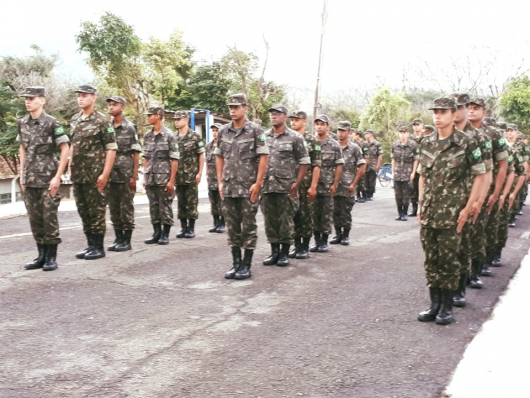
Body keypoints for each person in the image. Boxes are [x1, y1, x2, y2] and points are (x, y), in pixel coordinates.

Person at [417, 97, 485, 325]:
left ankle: (447, 307)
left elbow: (479, 175)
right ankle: (434, 304)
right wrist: (419, 204)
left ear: (453, 114)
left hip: (453, 213)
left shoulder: (466, 142)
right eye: (435, 112)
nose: (437, 116)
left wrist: (469, 207)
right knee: (431, 259)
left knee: (449, 260)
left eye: (443, 112)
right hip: (429, 211)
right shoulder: (426, 142)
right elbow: (423, 176)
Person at [215, 94, 269, 280]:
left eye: (236, 107)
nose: (232, 110)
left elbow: (263, 156)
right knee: (232, 226)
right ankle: (236, 263)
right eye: (230, 107)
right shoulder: (223, 131)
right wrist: (220, 181)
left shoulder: (255, 130)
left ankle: (246, 264)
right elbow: (219, 155)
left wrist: (258, 183)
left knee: (248, 226)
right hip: (229, 186)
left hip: (248, 186)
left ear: (245, 108)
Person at [17, 86, 70, 271]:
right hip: (30, 179)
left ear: (42, 100)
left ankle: (51, 257)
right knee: (35, 218)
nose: (28, 101)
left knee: (49, 218)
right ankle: (41, 255)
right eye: (26, 98)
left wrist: (58, 177)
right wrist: (22, 174)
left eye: (32, 98)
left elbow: (65, 148)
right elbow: (22, 147)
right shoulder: (23, 122)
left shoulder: (52, 123)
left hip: (48, 179)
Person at [451, 94, 492, 303]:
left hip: (469, 198)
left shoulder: (479, 137)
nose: (457, 111)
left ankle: (460, 288)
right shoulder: (443, 137)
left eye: (461, 107)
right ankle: (446, 289)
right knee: (447, 248)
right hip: (446, 203)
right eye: (454, 107)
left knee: (465, 244)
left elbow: (485, 173)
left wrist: (479, 201)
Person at [69, 84, 116, 260]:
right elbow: (73, 145)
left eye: (84, 95)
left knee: (96, 211)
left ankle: (98, 247)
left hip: (95, 174)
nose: (80, 98)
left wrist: (105, 174)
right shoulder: (75, 119)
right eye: (79, 95)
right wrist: (69, 164)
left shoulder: (102, 120)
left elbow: (111, 149)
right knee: (83, 210)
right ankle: (90, 245)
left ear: (93, 98)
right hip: (79, 174)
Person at [261, 105, 309, 267]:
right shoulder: (263, 136)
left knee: (286, 220)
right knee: (270, 220)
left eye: (277, 114)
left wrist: (297, 183)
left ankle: (284, 252)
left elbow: (304, 162)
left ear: (285, 117)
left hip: (286, 185)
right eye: (272, 114)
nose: (273, 117)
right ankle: (274, 251)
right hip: (267, 185)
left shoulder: (295, 137)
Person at [468, 98, 508, 277]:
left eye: (476, 108)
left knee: (480, 229)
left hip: (486, 188)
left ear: (484, 112)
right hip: (461, 189)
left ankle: (477, 269)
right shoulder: (459, 131)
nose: (471, 112)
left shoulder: (493, 134)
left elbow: (502, 166)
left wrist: (496, 193)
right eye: (468, 108)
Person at [106, 96, 141, 252]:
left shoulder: (130, 127)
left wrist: (134, 177)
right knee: (113, 208)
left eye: (115, 105)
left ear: (123, 107)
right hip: (111, 174)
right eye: (110, 105)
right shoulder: (107, 126)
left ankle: (126, 240)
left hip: (125, 174)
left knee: (126, 208)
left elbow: (135, 153)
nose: (111, 107)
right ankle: (118, 238)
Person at [287, 110, 322, 259]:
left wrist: (313, 186)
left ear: (304, 122)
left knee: (306, 216)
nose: (293, 122)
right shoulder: (288, 138)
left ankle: (305, 246)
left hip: (306, 183)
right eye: (292, 119)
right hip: (291, 183)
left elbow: (316, 165)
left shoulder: (312, 141)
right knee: (293, 215)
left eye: (297, 120)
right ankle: (296, 245)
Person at [142, 107, 179, 245]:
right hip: (151, 176)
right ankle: (156, 232)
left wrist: (171, 180)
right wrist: (145, 176)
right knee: (153, 206)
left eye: (150, 115)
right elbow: (145, 157)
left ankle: (165, 233)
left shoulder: (169, 135)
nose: (148, 117)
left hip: (164, 177)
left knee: (165, 205)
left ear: (158, 116)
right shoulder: (147, 136)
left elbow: (174, 159)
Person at [310, 115, 344, 253]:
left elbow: (339, 165)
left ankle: (324, 241)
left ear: (328, 126)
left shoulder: (334, 145)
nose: (319, 126)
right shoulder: (310, 142)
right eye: (317, 124)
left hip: (327, 184)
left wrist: (335, 183)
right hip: (312, 185)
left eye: (322, 124)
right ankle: (316, 241)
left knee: (325, 214)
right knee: (313, 214)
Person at [330, 121, 366, 245]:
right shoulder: (333, 146)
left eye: (343, 131)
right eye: (339, 130)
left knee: (345, 212)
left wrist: (354, 183)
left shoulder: (354, 148)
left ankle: (345, 236)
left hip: (347, 185)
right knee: (335, 211)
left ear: (349, 133)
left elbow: (361, 166)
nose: (340, 133)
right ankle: (338, 235)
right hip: (333, 185)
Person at [173, 111, 205, 239]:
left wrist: (200, 172)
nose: (176, 121)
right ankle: (183, 228)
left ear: (186, 120)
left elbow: (201, 154)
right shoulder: (173, 137)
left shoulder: (195, 136)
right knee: (181, 202)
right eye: (175, 119)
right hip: (178, 175)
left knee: (191, 202)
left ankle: (191, 228)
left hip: (191, 175)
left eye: (178, 119)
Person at [391, 126, 418, 221]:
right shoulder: (395, 145)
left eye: (404, 132)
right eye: (401, 132)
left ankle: (405, 213)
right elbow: (393, 159)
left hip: (408, 172)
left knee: (406, 194)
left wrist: (413, 173)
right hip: (398, 172)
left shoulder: (413, 145)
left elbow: (416, 160)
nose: (402, 134)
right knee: (398, 195)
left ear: (408, 134)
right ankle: (400, 213)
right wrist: (393, 171)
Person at [206, 123, 225, 233]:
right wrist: (206, 175)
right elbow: (208, 163)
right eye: (213, 130)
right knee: (213, 201)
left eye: (216, 130)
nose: (214, 133)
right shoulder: (208, 146)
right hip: (211, 178)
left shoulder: (224, 145)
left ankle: (222, 223)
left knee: (221, 201)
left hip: (221, 178)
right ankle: (216, 223)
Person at [408, 118, 424, 216]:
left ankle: (423, 208)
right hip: (413, 167)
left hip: (424, 166)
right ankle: (414, 209)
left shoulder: (427, 138)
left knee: (424, 188)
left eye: (418, 125)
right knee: (413, 188)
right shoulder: (410, 140)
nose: (416, 127)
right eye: (414, 125)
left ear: (422, 126)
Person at [363, 130, 382, 201]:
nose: (365, 136)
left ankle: (370, 194)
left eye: (366, 134)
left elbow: (380, 155)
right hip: (366, 165)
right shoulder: (364, 144)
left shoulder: (377, 144)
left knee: (372, 180)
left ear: (370, 134)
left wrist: (378, 165)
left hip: (373, 164)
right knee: (365, 180)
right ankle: (366, 193)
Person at [353, 130, 368, 203]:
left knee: (362, 181)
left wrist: (364, 167)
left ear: (358, 135)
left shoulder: (364, 144)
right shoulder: (354, 143)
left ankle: (364, 196)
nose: (353, 136)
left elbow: (366, 156)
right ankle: (358, 196)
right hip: (356, 164)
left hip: (362, 164)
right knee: (357, 181)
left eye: (354, 134)